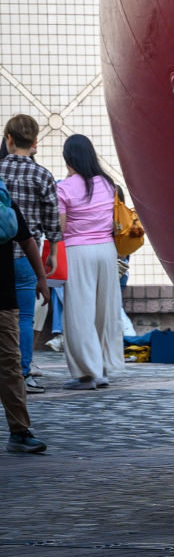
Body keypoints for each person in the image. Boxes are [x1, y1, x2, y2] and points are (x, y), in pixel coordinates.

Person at [55, 134, 126, 391]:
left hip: (78, 252)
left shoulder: (64, 187)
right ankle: (103, 369)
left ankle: (87, 373)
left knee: (79, 313)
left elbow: (60, 228)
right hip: (107, 251)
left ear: (68, 158)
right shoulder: (108, 184)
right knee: (103, 311)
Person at [1, 114, 60, 394]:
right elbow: (52, 221)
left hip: (1, 254)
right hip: (27, 255)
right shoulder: (42, 175)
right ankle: (23, 374)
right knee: (24, 317)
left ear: (8, 139)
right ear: (35, 141)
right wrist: (53, 255)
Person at [1, 181, 49, 452]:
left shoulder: (2, 198)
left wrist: (41, 277)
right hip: (4, 299)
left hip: (4, 301)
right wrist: (40, 277)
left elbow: (26, 239)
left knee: (10, 366)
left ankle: (19, 432)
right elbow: (28, 241)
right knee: (10, 366)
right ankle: (19, 432)